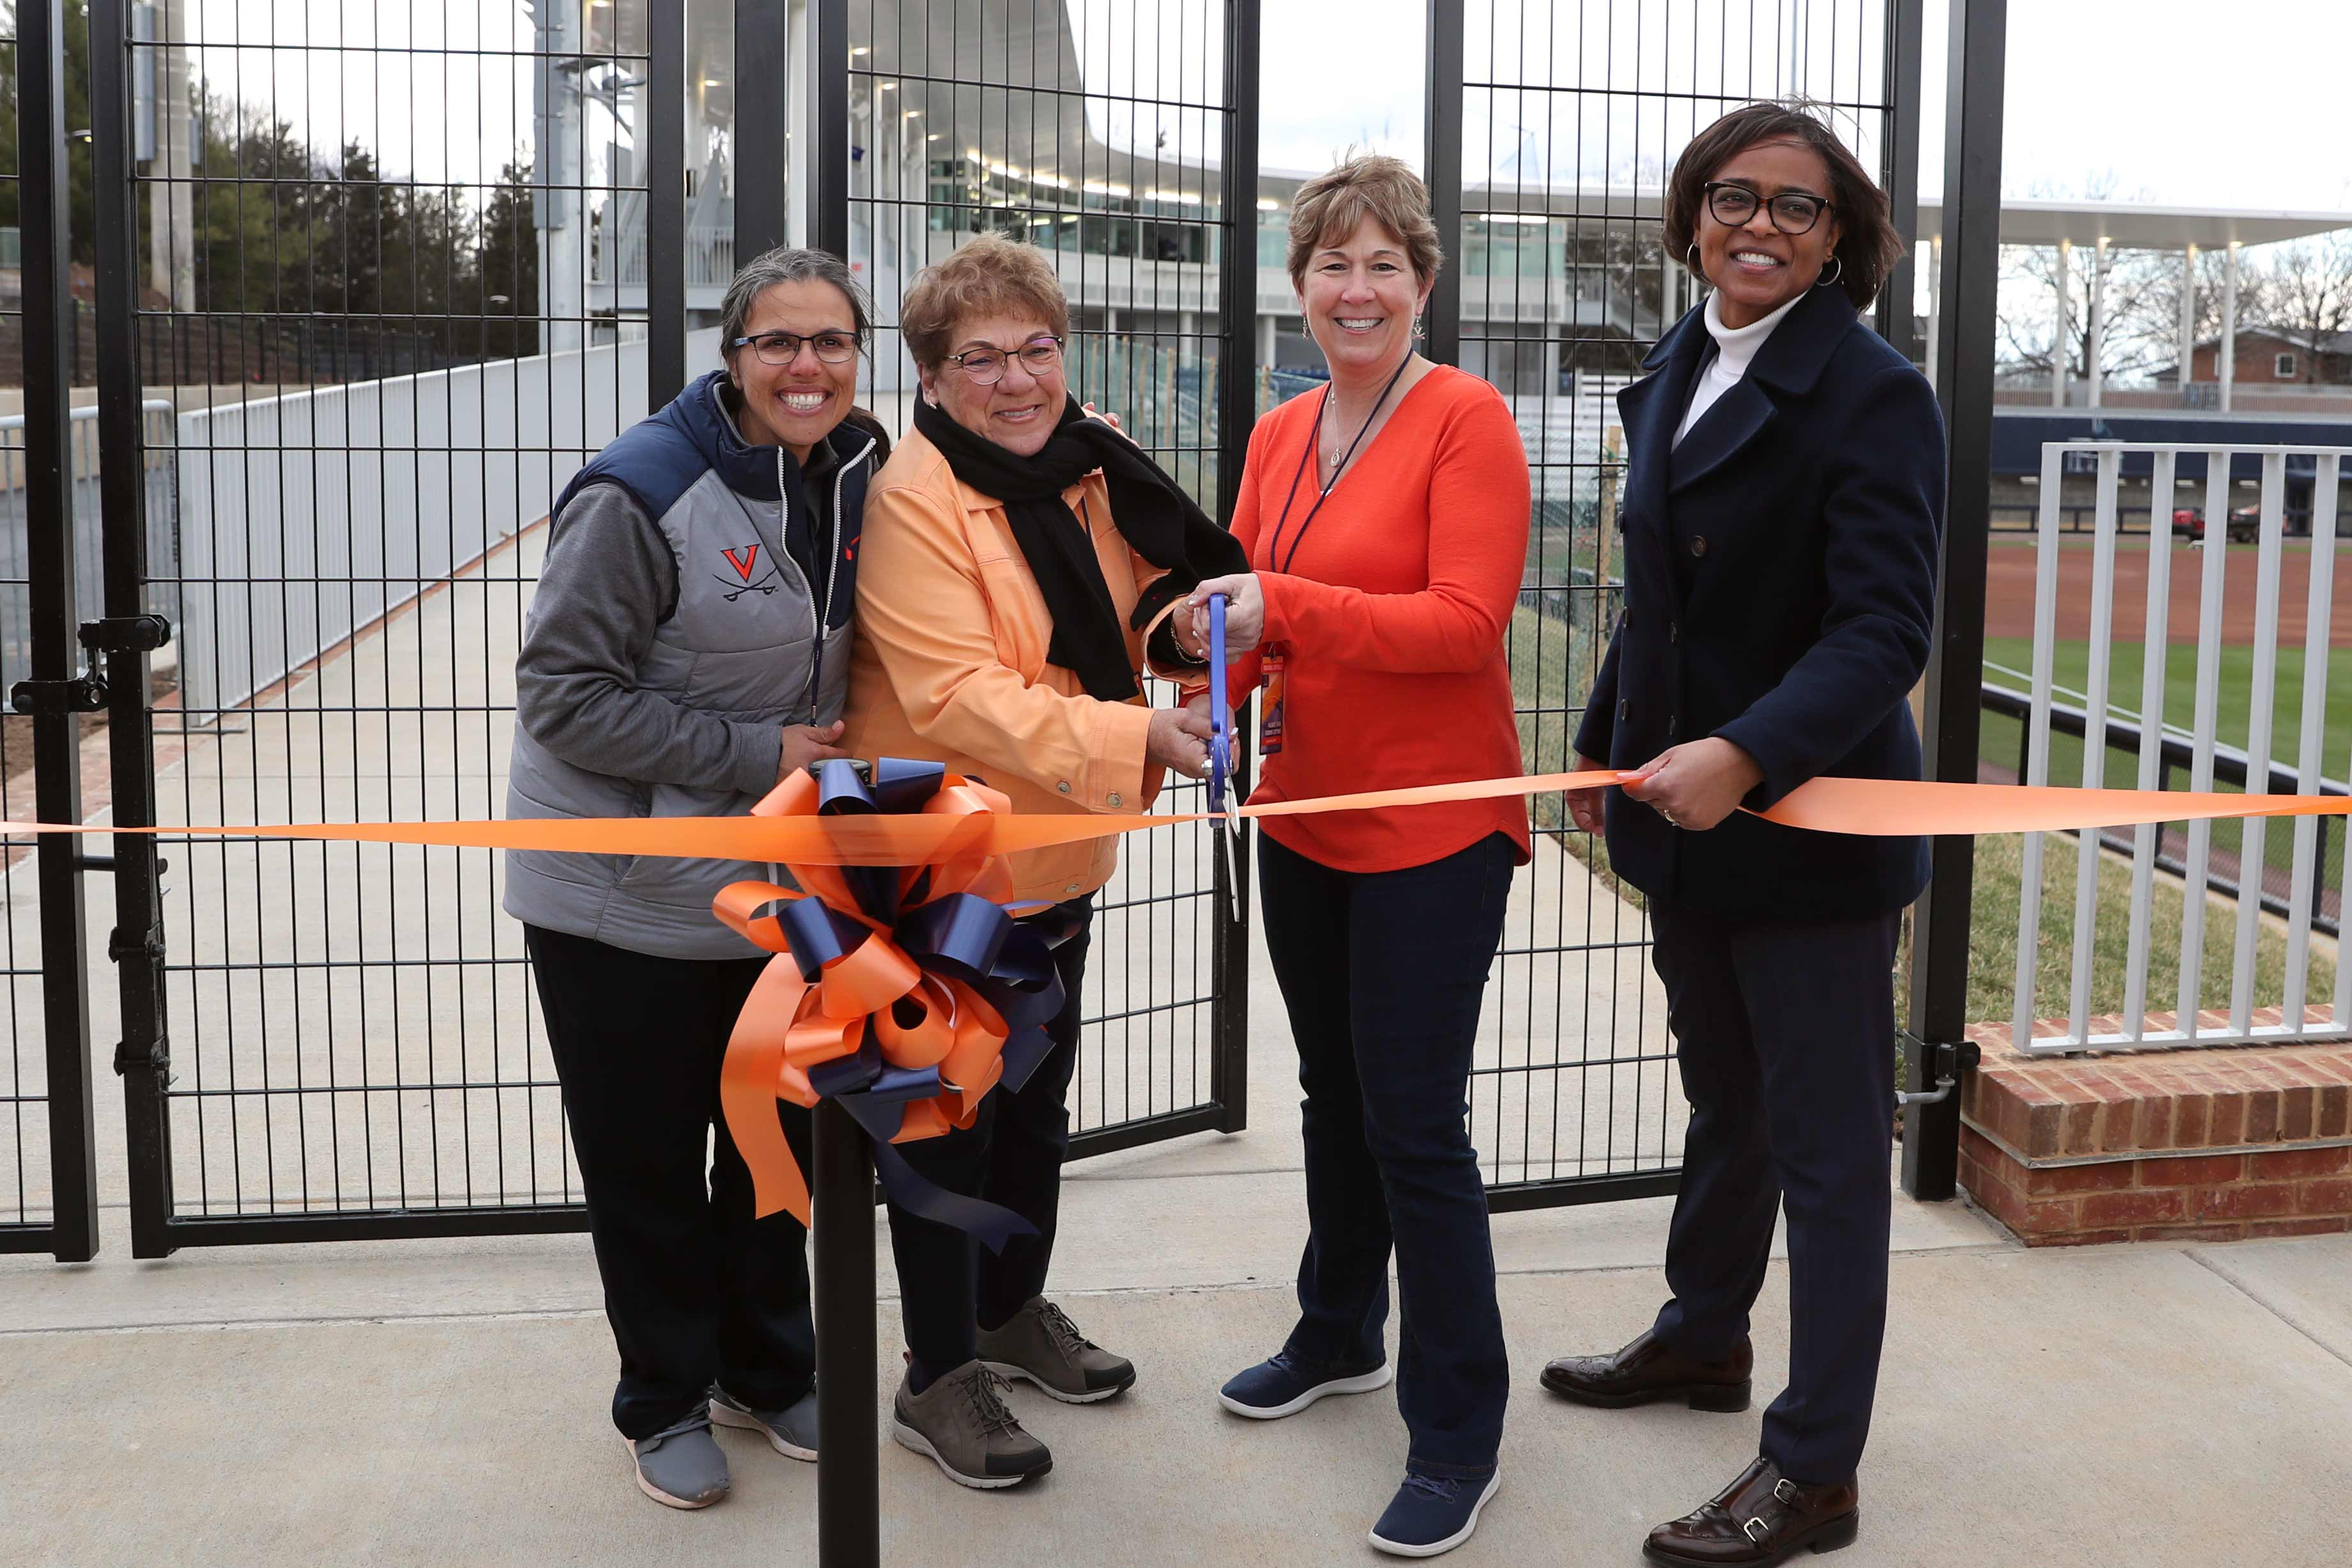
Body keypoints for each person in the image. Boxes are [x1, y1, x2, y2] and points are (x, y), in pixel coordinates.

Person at [1541, 102, 1942, 1567]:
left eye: (1797, 207)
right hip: (1682, 825)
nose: (1759, 225)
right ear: (1689, 215)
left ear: (1843, 239)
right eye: (1733, 197)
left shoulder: (1871, 392)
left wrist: (1742, 751)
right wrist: (1602, 735)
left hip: (1810, 838)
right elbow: (1660, 600)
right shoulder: (1674, 363)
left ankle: (1812, 1468)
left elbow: (1879, 629)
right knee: (1725, 1099)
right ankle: (1702, 1336)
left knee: (1829, 1152)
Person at [843, 232, 1239, 1491]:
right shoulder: (915, 497)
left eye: (1034, 350)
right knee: (945, 1116)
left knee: (1030, 1107)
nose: (1015, 380)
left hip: (1055, 856)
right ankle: (937, 1372)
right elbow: (958, 693)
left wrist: (1197, 636)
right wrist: (1145, 734)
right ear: (932, 375)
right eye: (980, 359)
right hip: (941, 865)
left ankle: (1010, 1310)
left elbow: (1137, 607)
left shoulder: (1080, 467)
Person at [503, 247, 890, 1510]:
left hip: (770, 894)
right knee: (649, 1162)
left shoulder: (861, 471)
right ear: (732, 356)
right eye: (777, 342)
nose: (805, 365)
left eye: (828, 341)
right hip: (620, 895)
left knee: (771, 1150)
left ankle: (766, 1368)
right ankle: (662, 1394)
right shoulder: (641, 491)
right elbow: (562, 696)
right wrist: (750, 753)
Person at [1184, 153, 1532, 1560]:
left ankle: (1458, 1429)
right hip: (1304, 814)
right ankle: (1339, 1329)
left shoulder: (1467, 417)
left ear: (1422, 283)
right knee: (1332, 1095)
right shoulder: (1278, 433)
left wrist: (1283, 605)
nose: (1356, 287)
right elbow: (1268, 625)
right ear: (1299, 287)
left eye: (1383, 263)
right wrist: (1209, 675)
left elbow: (1462, 625)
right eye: (1332, 263)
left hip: (1433, 829)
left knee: (1413, 1121)